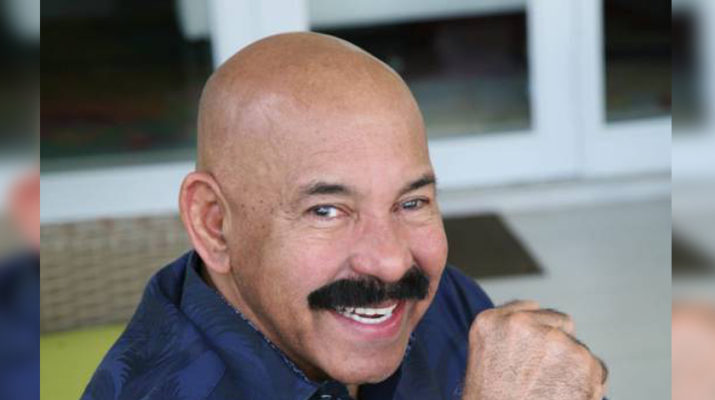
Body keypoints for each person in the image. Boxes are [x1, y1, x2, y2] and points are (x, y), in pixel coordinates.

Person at [82, 32, 607, 400]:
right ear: (214, 224)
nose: (391, 261)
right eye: (327, 210)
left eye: (411, 202)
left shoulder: (435, 301)